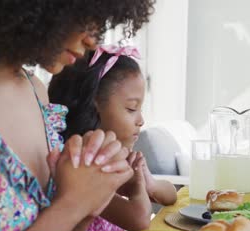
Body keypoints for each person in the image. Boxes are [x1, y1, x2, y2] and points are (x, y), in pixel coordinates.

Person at [0, 0, 155, 231]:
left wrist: (89, 196)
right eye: (85, 16)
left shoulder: (34, 87)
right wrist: (73, 204)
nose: (93, 42)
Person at [48, 45, 177, 208]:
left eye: (140, 109)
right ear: (94, 103)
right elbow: (139, 219)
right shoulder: (82, 165)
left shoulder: (116, 154)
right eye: (131, 109)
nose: (141, 120)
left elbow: (171, 195)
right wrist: (137, 188)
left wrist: (150, 183)